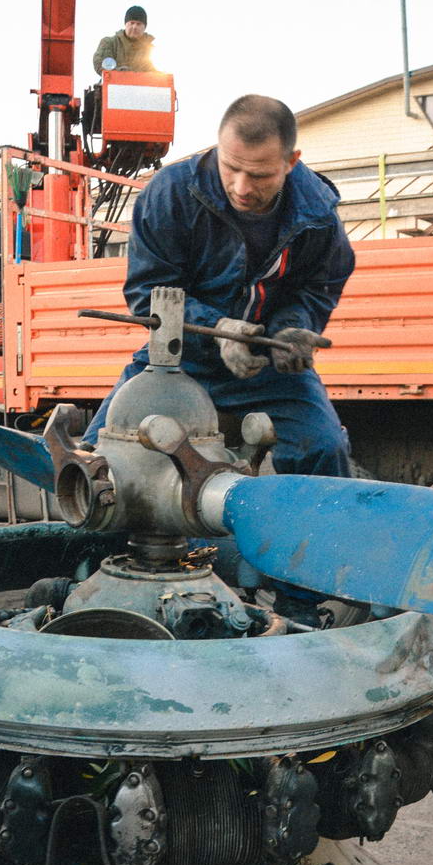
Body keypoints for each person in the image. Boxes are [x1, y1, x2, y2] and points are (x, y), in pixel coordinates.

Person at [86, 95, 355, 615]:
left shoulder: (317, 212)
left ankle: (302, 609)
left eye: (260, 176)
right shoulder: (170, 194)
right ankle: (91, 589)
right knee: (98, 462)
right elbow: (147, 294)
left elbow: (320, 283)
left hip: (267, 366)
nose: (241, 188)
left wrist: (294, 329)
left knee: (322, 449)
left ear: (291, 163)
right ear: (217, 146)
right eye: (231, 168)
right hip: (176, 359)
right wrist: (217, 329)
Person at [93, 6, 156, 75]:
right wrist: (119, 72)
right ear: (125, 24)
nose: (134, 27)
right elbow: (100, 63)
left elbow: (156, 74)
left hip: (143, 85)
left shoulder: (151, 50)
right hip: (113, 84)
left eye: (138, 24)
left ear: (144, 27)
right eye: (132, 23)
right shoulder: (109, 43)